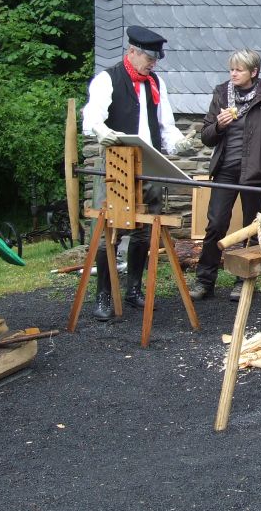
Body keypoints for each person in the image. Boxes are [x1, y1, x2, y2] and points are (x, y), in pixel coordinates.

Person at [82, 25, 195, 321]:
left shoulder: (155, 82)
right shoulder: (108, 79)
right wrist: (101, 131)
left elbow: (164, 126)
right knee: (110, 230)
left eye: (155, 59)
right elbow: (93, 116)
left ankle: (133, 289)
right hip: (116, 165)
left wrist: (180, 143)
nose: (152, 64)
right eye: (149, 58)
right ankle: (104, 295)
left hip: (149, 166)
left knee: (145, 233)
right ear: (132, 51)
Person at [188, 49, 261, 301]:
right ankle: (205, 281)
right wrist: (218, 125)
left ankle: (244, 280)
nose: (234, 73)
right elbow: (206, 136)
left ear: (254, 72)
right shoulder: (221, 94)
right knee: (216, 223)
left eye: (239, 69)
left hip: (254, 174)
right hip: (225, 171)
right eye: (232, 69)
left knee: (250, 227)